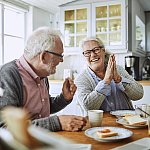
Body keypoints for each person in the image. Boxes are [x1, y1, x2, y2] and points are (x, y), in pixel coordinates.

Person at [0, 27, 87, 131]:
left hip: (43, 140)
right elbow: (5, 126)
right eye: (60, 55)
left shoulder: (42, 74)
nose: (62, 60)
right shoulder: (8, 74)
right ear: (44, 56)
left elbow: (43, 108)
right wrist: (57, 123)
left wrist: (64, 98)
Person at [75, 37, 144, 112]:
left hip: (127, 121)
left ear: (103, 51)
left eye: (96, 50)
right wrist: (106, 82)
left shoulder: (118, 69)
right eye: (87, 52)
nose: (93, 55)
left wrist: (119, 79)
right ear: (83, 56)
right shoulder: (80, 79)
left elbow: (139, 94)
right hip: (101, 123)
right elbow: (88, 107)